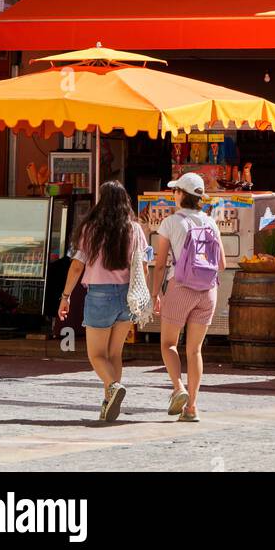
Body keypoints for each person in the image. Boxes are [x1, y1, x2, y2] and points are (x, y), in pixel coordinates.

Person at [59, 180, 149, 423]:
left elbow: (77, 266)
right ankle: (108, 403)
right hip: (126, 296)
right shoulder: (135, 229)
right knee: (114, 354)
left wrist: (65, 296)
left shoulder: (90, 229)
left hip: (99, 295)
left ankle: (112, 386)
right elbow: (143, 267)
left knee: (96, 355)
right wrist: (146, 294)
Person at [152, 172, 226, 423]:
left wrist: (155, 293)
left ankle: (178, 388)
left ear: (181, 195)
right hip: (208, 291)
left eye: (175, 191)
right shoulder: (211, 222)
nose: (173, 194)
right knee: (194, 350)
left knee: (168, 344)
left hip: (180, 287)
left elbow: (160, 265)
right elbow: (223, 264)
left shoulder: (171, 223)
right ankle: (192, 407)